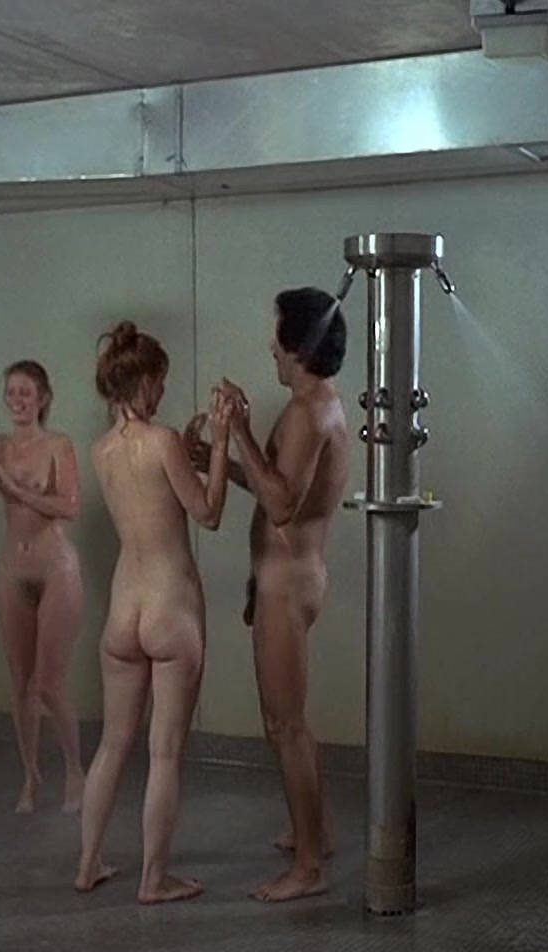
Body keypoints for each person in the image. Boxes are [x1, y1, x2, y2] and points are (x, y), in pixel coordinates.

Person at [186, 287, 351, 903]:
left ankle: (309, 867)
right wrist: (217, 458)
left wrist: (240, 431)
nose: (270, 348)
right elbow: (278, 486)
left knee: (285, 726)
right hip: (289, 576)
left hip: (289, 583)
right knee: (290, 723)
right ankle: (317, 832)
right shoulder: (312, 404)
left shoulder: (309, 413)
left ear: (297, 345)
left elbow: (281, 504)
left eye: (277, 335)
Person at [75, 321, 236, 904]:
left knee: (112, 744)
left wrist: (185, 449)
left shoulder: (102, 450)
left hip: (123, 609)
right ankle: (153, 878)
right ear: (143, 380)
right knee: (164, 752)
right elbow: (208, 513)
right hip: (170, 607)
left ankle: (88, 864)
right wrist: (220, 442)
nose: (164, 390)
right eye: (160, 381)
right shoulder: (163, 440)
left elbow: (149, 495)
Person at [0, 361, 86, 815]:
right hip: (14, 568)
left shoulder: (58, 445)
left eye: (26, 392)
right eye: (11, 392)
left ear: (43, 398)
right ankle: (30, 775)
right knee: (21, 682)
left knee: (49, 683)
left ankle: (75, 770)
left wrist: (14, 487)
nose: (18, 401)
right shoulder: (0, 445)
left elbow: (69, 506)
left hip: (55, 567)